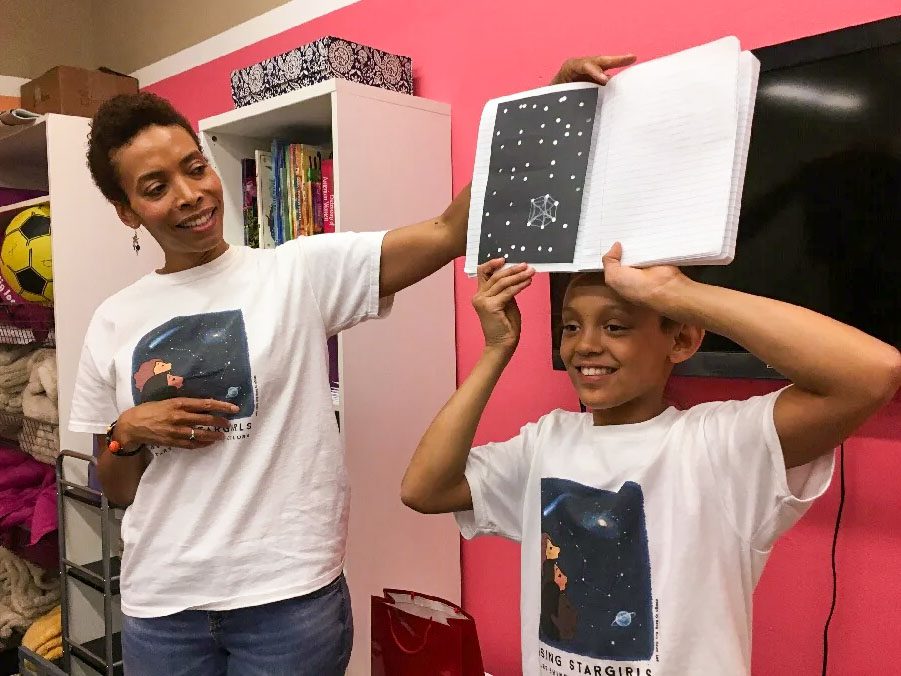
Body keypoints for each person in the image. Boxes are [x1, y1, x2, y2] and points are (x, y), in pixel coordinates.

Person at [67, 54, 636, 676]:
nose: (191, 195)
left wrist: (543, 110)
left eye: (195, 168)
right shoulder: (114, 319)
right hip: (162, 604)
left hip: (287, 601)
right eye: (155, 188)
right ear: (127, 212)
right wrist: (130, 430)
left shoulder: (297, 273)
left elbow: (449, 230)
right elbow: (117, 488)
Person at [401, 244, 901, 675]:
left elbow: (873, 373)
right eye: (570, 326)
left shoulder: (719, 446)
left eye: (615, 326)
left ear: (681, 339)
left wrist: (676, 295)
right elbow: (424, 489)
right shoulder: (545, 443)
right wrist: (495, 349)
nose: (585, 345)